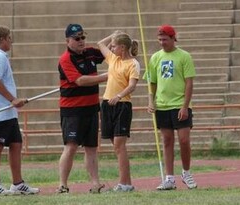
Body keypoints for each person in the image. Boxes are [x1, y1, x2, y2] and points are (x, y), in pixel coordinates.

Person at [0, 25, 40, 196]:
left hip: (9, 113)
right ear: (2, 40)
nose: (11, 41)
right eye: (9, 38)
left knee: (16, 144)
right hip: (1, 111)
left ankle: (17, 183)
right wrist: (13, 100)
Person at [144, 24, 197, 190]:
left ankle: (186, 172)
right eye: (159, 40)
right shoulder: (155, 58)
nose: (162, 42)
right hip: (162, 106)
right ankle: (169, 178)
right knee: (167, 141)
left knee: (184, 140)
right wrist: (151, 101)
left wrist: (184, 106)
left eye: (165, 39)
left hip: (180, 105)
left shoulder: (184, 56)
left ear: (173, 38)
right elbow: (151, 81)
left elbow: (189, 83)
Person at [57, 23, 107, 194]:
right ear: (67, 40)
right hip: (73, 110)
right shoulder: (65, 59)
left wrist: (115, 37)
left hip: (92, 108)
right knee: (71, 146)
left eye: (83, 37)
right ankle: (62, 184)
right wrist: (107, 76)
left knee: (92, 148)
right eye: (77, 38)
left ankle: (95, 183)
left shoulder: (91, 53)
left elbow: (108, 50)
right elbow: (80, 80)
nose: (81, 41)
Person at [97, 31, 140, 192]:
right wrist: (113, 35)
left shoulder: (133, 64)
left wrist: (119, 95)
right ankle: (127, 183)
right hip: (108, 104)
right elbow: (100, 43)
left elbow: (132, 85)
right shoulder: (113, 59)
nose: (111, 48)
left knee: (119, 145)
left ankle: (123, 183)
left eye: (114, 46)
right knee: (116, 146)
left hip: (122, 105)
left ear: (122, 47)